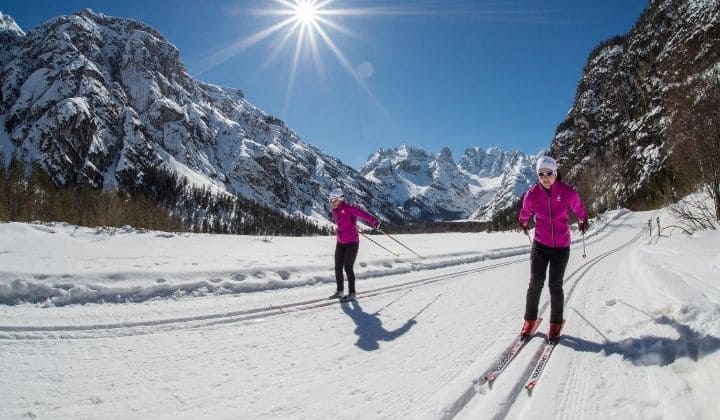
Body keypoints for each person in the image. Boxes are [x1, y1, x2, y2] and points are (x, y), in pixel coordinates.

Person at [518, 156, 588, 342]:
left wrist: (583, 219)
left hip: (561, 247)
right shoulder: (532, 194)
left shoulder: (567, 192)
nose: (545, 177)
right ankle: (530, 320)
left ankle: (555, 324)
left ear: (555, 173)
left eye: (549, 173)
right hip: (540, 245)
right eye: (541, 174)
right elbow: (525, 211)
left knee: (555, 285)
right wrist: (523, 222)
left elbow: (578, 207)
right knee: (535, 284)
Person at [328, 188, 380, 301]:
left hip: (352, 243)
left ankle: (352, 293)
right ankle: (340, 291)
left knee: (348, 267)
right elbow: (343, 224)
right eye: (330, 200)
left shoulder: (349, 208)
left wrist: (374, 221)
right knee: (338, 268)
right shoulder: (335, 210)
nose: (331, 202)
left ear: (339, 199)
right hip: (340, 242)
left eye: (333, 200)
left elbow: (362, 214)